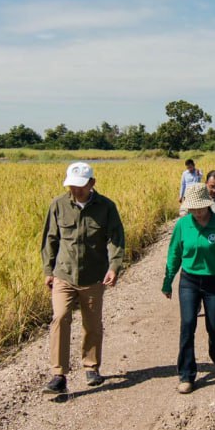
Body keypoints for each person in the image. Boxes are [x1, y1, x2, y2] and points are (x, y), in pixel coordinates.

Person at [40, 162, 127, 394]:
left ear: (92, 183)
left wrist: (114, 267)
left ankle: (91, 367)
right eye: (72, 186)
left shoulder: (106, 207)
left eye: (80, 186)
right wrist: (48, 271)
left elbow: (116, 239)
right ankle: (58, 375)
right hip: (63, 274)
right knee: (60, 318)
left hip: (93, 275)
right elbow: (50, 239)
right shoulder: (58, 205)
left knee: (92, 323)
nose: (76, 190)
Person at [163, 184, 215, 394]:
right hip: (189, 281)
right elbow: (174, 254)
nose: (196, 212)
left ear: (208, 205)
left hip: (214, 282)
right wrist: (167, 281)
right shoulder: (183, 225)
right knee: (187, 325)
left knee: (214, 325)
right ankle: (186, 374)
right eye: (192, 208)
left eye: (200, 208)